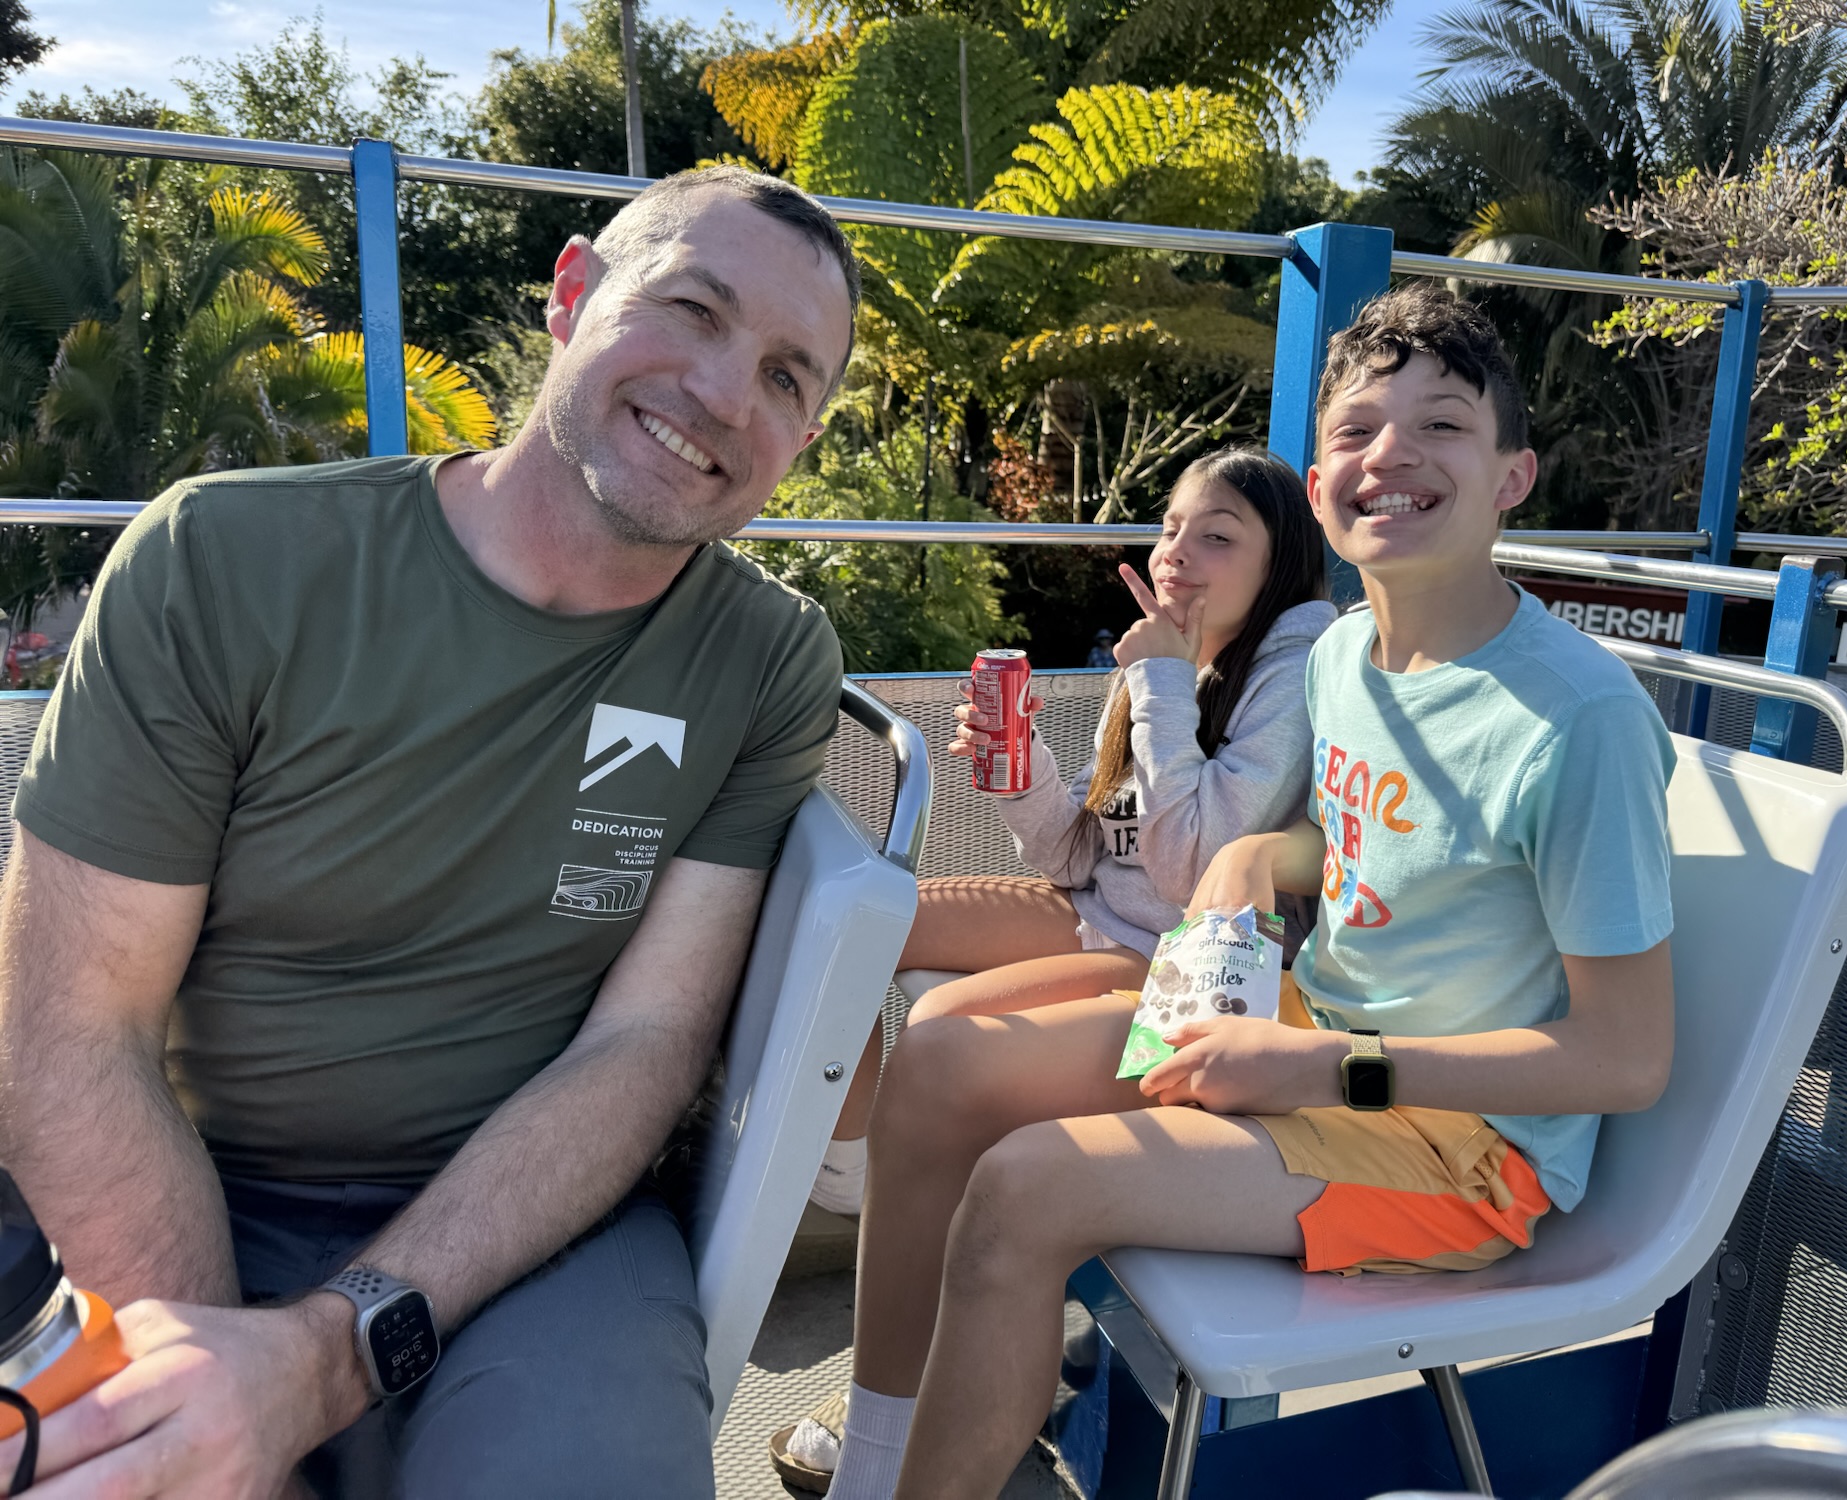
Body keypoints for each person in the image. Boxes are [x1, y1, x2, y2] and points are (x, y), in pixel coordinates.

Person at [0, 165, 860, 1499]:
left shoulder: (765, 661)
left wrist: (323, 1358)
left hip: (539, 1229)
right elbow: (72, 1031)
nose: (722, 393)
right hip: (174, 1190)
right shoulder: (222, 563)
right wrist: (218, 1414)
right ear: (571, 293)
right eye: (692, 309)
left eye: (787, 377)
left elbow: (646, 1038)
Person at [813, 283, 1677, 1500]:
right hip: (1305, 1027)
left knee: (1024, 1188)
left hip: (1461, 1152)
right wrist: (1258, 860)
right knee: (944, 1058)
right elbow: (1354, 846)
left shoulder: (1577, 721)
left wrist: (1326, 1070)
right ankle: (875, 1461)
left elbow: (1621, 1059)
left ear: (1512, 477)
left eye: (1440, 425)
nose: (1391, 456)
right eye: (1357, 430)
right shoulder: (1344, 655)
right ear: (1319, 488)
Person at [777, 447, 1334, 1489]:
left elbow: (1194, 869)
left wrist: (1158, 678)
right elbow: (1075, 856)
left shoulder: (1286, 669)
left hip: (1189, 966)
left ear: (1280, 566)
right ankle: (859, 1179)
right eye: (1170, 529)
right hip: (1095, 917)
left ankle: (890, 1406)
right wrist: (1021, 772)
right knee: (851, 920)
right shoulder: (1161, 658)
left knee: (937, 1050)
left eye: (1217, 536)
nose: (1177, 553)